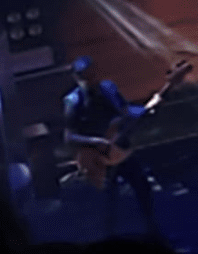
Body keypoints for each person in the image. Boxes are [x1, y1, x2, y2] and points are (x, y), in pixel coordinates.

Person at [63, 56, 162, 241]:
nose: (91, 80)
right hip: (98, 156)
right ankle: (108, 239)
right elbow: (68, 136)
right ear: (78, 78)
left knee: (142, 186)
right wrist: (96, 141)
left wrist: (147, 108)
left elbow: (124, 111)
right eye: (86, 77)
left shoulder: (108, 88)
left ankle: (153, 232)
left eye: (93, 75)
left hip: (119, 150)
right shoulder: (73, 101)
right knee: (108, 199)